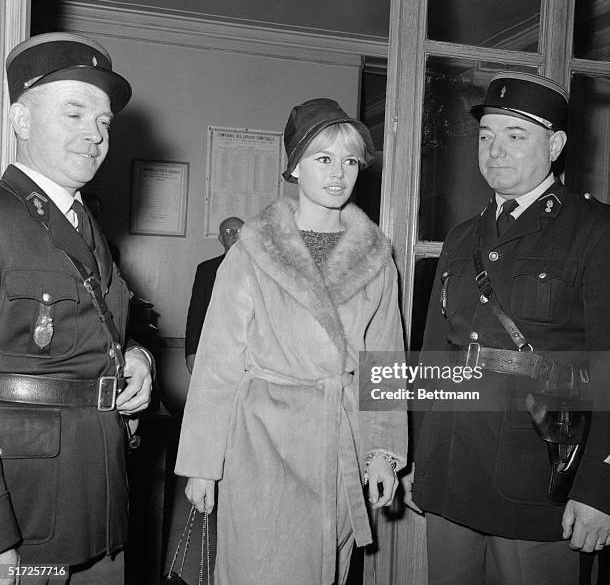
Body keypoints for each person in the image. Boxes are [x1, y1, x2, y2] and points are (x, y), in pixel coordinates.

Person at [175, 98, 408, 584]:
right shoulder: (252, 252)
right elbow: (218, 362)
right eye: (323, 159)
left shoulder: (377, 257)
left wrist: (382, 452)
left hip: (338, 441)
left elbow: (384, 360)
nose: (338, 174)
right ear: (295, 166)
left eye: (349, 161)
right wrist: (202, 465)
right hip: (262, 446)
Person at [407, 72, 610, 584]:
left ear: (556, 145)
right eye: (486, 136)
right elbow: (434, 358)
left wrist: (599, 489)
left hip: (537, 481)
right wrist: (418, 459)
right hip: (451, 468)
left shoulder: (595, 232)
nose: (495, 151)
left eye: (515, 136)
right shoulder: (461, 238)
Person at [0, 32, 153, 585]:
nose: (95, 133)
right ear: (20, 120)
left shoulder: (84, 224)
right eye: (75, 112)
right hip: (27, 515)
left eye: (105, 121)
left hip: (100, 501)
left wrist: (135, 355)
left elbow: (89, 331)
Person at [184, 216, 244, 373]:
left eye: (240, 231)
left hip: (249, 354)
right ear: (221, 239)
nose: (236, 236)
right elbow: (196, 313)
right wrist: (191, 351)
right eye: (230, 232)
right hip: (214, 350)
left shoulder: (261, 269)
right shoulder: (206, 270)